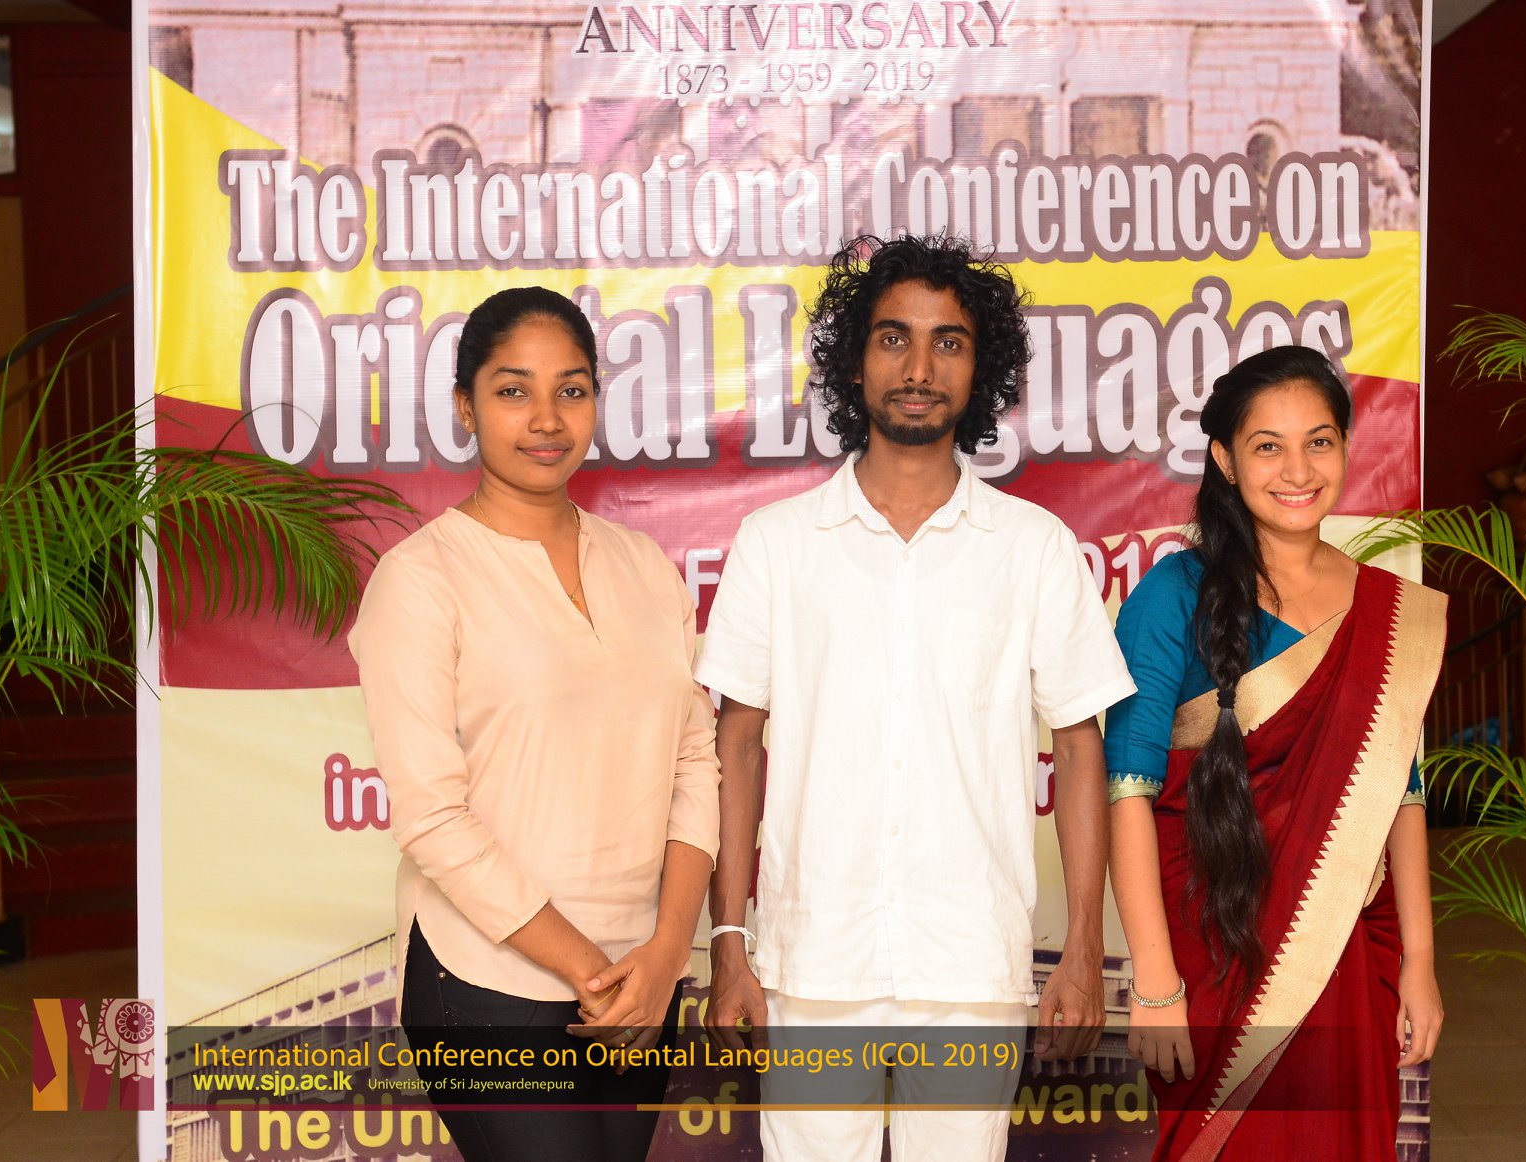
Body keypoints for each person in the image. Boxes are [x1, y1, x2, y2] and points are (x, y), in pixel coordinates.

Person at [696, 234, 1136, 1162]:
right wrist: (729, 939)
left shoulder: (1033, 548)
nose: (919, 368)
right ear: (854, 362)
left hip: (969, 962)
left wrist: (1083, 946)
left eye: (949, 342)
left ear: (981, 369)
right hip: (812, 959)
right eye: (893, 338)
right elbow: (734, 747)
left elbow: (1079, 744)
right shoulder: (777, 543)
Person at [348, 287, 720, 1162]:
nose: (546, 419)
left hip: (640, 977)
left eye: (572, 390)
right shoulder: (422, 579)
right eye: (513, 390)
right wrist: (593, 971)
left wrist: (667, 951)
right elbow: (432, 817)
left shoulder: (644, 567)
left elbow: (694, 761)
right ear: (465, 407)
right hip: (489, 976)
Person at [1103, 345, 1446, 1159]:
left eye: (1318, 442)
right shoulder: (1170, 595)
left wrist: (1422, 963)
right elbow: (1126, 790)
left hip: (1346, 949)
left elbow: (1400, 795)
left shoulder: (1385, 610)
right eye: (1267, 446)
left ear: (1346, 446)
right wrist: (1154, 981)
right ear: (1224, 460)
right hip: (1210, 950)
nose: (1298, 470)